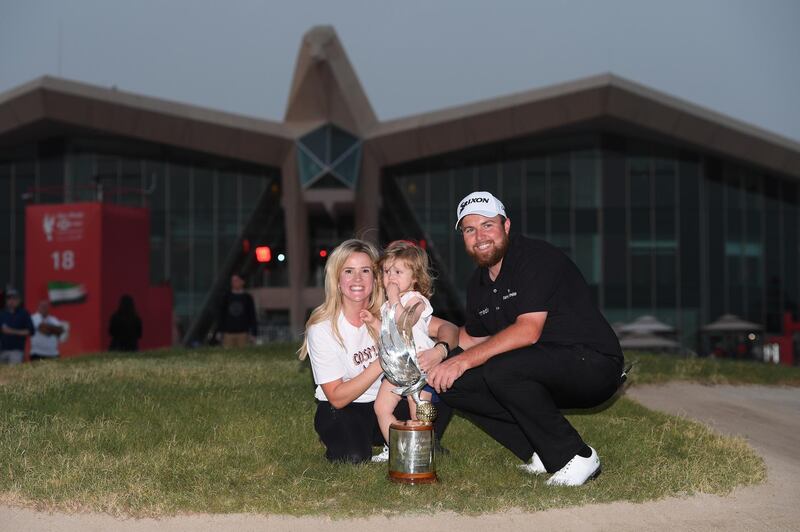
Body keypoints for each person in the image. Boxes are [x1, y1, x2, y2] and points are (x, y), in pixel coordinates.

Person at [428, 191, 625, 487]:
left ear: (506, 226)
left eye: (487, 225)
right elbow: (470, 338)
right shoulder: (478, 284)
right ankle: (540, 452)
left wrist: (463, 360)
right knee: (454, 383)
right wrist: (436, 356)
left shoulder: (535, 258)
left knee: (500, 368)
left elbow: (527, 330)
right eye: (470, 229)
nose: (479, 236)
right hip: (539, 368)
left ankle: (575, 456)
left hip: (593, 364)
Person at [298, 239, 457, 463]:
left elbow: (448, 328)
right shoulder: (323, 328)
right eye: (349, 271)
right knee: (353, 458)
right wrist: (386, 360)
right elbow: (337, 397)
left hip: (391, 398)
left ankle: (418, 445)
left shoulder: (389, 311)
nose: (358, 279)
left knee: (451, 369)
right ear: (337, 279)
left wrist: (440, 351)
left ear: (375, 278)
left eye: (365, 270)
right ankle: (375, 441)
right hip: (346, 407)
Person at [361, 240, 455, 462]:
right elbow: (388, 333)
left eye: (398, 271)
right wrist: (374, 322)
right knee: (381, 407)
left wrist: (393, 297)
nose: (390, 277)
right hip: (396, 369)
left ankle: (421, 456)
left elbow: (404, 322)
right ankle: (396, 449)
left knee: (418, 414)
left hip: (418, 369)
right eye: (386, 272)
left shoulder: (417, 300)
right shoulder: (387, 305)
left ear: (415, 277)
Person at [217, 274, 258, 348]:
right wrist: (220, 331)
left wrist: (254, 333)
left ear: (242, 282)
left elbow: (252, 316)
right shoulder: (226, 297)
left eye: (236, 280)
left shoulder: (247, 298)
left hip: (243, 333)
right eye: (232, 281)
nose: (233, 282)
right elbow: (221, 315)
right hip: (228, 333)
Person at [0, 287, 35, 365]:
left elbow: (30, 331)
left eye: (14, 298)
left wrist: (11, 331)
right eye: (9, 298)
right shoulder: (2, 314)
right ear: (6, 301)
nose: (11, 301)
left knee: (13, 373)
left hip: (17, 351)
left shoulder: (24, 314)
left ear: (19, 300)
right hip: (2, 351)